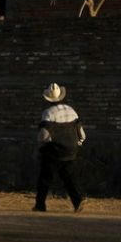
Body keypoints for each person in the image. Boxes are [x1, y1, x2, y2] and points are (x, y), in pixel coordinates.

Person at [33, 82, 87, 213]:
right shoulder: (71, 111)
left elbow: (44, 136)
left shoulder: (48, 113)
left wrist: (41, 146)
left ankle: (40, 205)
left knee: (45, 178)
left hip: (55, 152)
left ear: (48, 99)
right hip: (71, 150)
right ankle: (78, 201)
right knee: (68, 176)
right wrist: (78, 143)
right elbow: (81, 133)